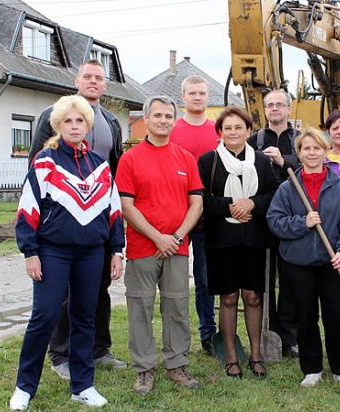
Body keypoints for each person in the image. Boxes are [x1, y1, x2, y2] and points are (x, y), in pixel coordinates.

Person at [10, 95, 125, 411]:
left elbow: (113, 211)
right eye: (68, 121)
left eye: (80, 121)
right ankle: (24, 387)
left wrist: (117, 250)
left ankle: (83, 386)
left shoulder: (100, 165)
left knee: (85, 318)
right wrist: (30, 252)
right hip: (53, 252)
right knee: (45, 316)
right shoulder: (45, 162)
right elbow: (27, 209)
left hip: (92, 253)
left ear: (88, 126)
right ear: (58, 125)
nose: (74, 126)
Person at [28, 59, 126, 379]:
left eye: (99, 78)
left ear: (105, 85)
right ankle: (61, 354)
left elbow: (114, 171)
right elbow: (36, 167)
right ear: (77, 81)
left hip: (97, 221)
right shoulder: (53, 114)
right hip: (61, 221)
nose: (93, 81)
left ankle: (99, 348)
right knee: (63, 293)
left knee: (98, 289)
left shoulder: (111, 121)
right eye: (87, 77)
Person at [115, 96, 203, 393]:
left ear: (174, 120)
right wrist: (157, 237)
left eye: (168, 116)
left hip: (177, 248)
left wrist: (176, 237)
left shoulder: (185, 158)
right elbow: (126, 206)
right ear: (146, 119)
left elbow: (196, 203)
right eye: (157, 115)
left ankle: (176, 364)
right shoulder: (130, 159)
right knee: (140, 308)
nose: (163, 120)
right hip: (143, 248)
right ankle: (144, 369)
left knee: (177, 306)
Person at [266, 127, 340, 389]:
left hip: (333, 262)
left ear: (325, 151)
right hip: (298, 264)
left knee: (338, 317)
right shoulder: (288, 187)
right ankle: (312, 368)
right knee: (305, 317)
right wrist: (303, 222)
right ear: (299, 153)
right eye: (306, 148)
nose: (311, 153)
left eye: (316, 148)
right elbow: (275, 221)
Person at [198, 106, 279, 379]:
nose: (233, 132)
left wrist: (252, 204)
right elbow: (201, 199)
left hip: (254, 238)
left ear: (248, 131)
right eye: (228, 128)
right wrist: (230, 206)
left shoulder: (261, 161)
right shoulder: (208, 161)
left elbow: (273, 193)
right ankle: (231, 357)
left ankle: (256, 356)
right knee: (229, 297)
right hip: (221, 240)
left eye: (239, 127)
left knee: (253, 297)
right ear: (220, 132)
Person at [246, 89, 300, 358]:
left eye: (280, 104)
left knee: (290, 279)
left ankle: (289, 338)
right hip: (261, 217)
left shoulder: (300, 139)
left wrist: (283, 160)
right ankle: (266, 331)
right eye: (270, 105)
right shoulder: (254, 140)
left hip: (292, 217)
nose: (275, 109)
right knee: (263, 279)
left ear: (289, 109)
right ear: (265, 110)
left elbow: (310, 168)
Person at [170, 75, 218, 357]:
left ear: (208, 96)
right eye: (192, 93)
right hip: (176, 214)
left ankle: (208, 334)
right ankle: (177, 337)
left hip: (208, 216)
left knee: (205, 278)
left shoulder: (217, 131)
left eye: (202, 93)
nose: (197, 97)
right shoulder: (173, 130)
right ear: (183, 97)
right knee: (174, 281)